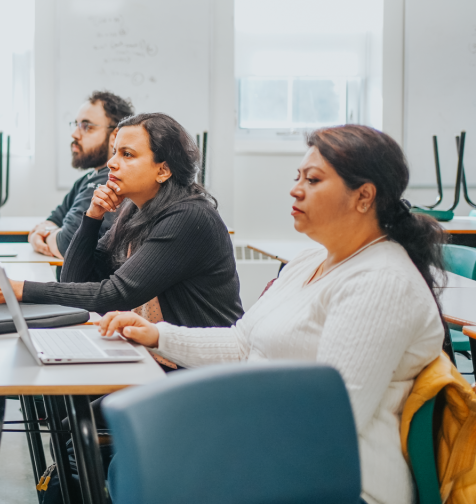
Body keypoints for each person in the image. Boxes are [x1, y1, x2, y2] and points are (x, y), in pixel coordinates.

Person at [100, 125, 449, 504]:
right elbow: (240, 343)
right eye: (297, 177)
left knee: (150, 467)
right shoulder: (312, 258)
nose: (295, 189)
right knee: (135, 462)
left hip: (339, 482)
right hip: (281, 453)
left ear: (364, 196)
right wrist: (157, 335)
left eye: (313, 180)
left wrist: (215, 426)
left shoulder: (381, 281)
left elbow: (334, 422)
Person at [0, 112, 243, 333]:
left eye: (127, 154)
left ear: (163, 170)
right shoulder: (135, 210)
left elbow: (114, 295)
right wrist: (92, 217)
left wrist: (18, 289)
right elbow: (74, 278)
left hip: (198, 372)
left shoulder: (189, 217)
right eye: (114, 152)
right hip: (156, 359)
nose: (111, 163)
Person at [29, 91, 133, 259]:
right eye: (75, 125)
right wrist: (45, 232)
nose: (74, 134)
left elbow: (68, 244)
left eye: (87, 126)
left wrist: (43, 234)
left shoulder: (112, 182)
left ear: (115, 136)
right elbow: (55, 218)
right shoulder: (87, 179)